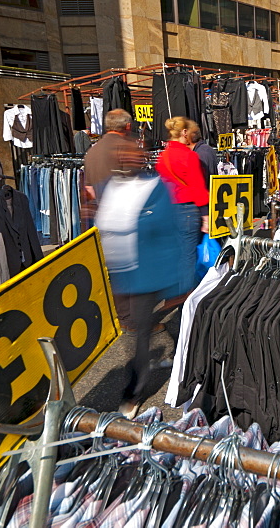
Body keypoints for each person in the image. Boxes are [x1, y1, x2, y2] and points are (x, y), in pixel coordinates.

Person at [95, 144, 181, 418]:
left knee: (140, 335)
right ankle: (174, 360)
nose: (125, 158)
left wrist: (175, 279)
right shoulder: (109, 186)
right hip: (119, 274)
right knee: (130, 335)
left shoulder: (155, 187)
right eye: (121, 154)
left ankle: (134, 391)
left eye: (131, 154)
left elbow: (168, 231)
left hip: (145, 274)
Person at [156, 117, 209, 296]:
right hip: (188, 210)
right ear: (184, 133)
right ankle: (185, 300)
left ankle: (173, 293)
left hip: (168, 211)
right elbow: (198, 189)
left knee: (175, 255)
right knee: (188, 257)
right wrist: (206, 216)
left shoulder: (163, 156)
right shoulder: (189, 156)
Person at [84, 109, 137, 200]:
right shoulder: (128, 148)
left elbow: (89, 188)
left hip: (102, 210)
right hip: (124, 209)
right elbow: (137, 185)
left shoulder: (91, 151)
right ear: (128, 126)